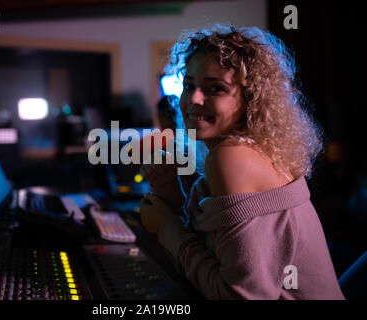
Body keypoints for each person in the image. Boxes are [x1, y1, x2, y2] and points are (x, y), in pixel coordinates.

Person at [139, 24, 345, 299]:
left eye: (215, 88)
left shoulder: (230, 157)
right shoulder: (252, 149)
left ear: (250, 99)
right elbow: (220, 251)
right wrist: (169, 193)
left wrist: (167, 227)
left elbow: (239, 295)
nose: (193, 100)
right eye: (188, 86)